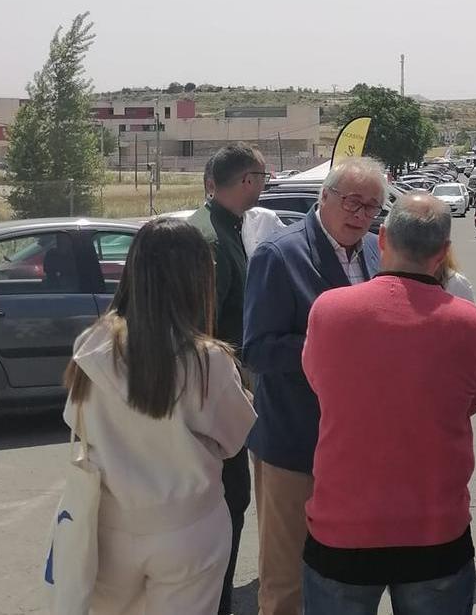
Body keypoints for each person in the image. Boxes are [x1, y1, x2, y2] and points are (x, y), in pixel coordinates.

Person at [300, 192, 476, 614]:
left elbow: (319, 385)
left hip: (343, 528)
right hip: (435, 528)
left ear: (381, 237)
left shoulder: (328, 310)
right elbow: (472, 401)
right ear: (443, 253)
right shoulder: (468, 322)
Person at [64, 218, 256, 614]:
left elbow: (76, 420)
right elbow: (234, 437)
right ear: (196, 277)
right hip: (189, 527)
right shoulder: (207, 360)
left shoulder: (92, 343)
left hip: (108, 523)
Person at [243, 158, 386, 615]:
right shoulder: (278, 255)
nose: (360, 214)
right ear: (324, 196)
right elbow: (258, 350)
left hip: (356, 447)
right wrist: (331, 348)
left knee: (344, 575)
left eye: (371, 206)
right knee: (286, 582)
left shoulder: (374, 253)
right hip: (294, 444)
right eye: (352, 202)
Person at [187, 143, 267, 614]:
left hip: (221, 398)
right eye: (263, 177)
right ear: (247, 180)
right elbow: (203, 335)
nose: (265, 184)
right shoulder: (212, 238)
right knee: (227, 505)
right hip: (213, 407)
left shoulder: (224, 227)